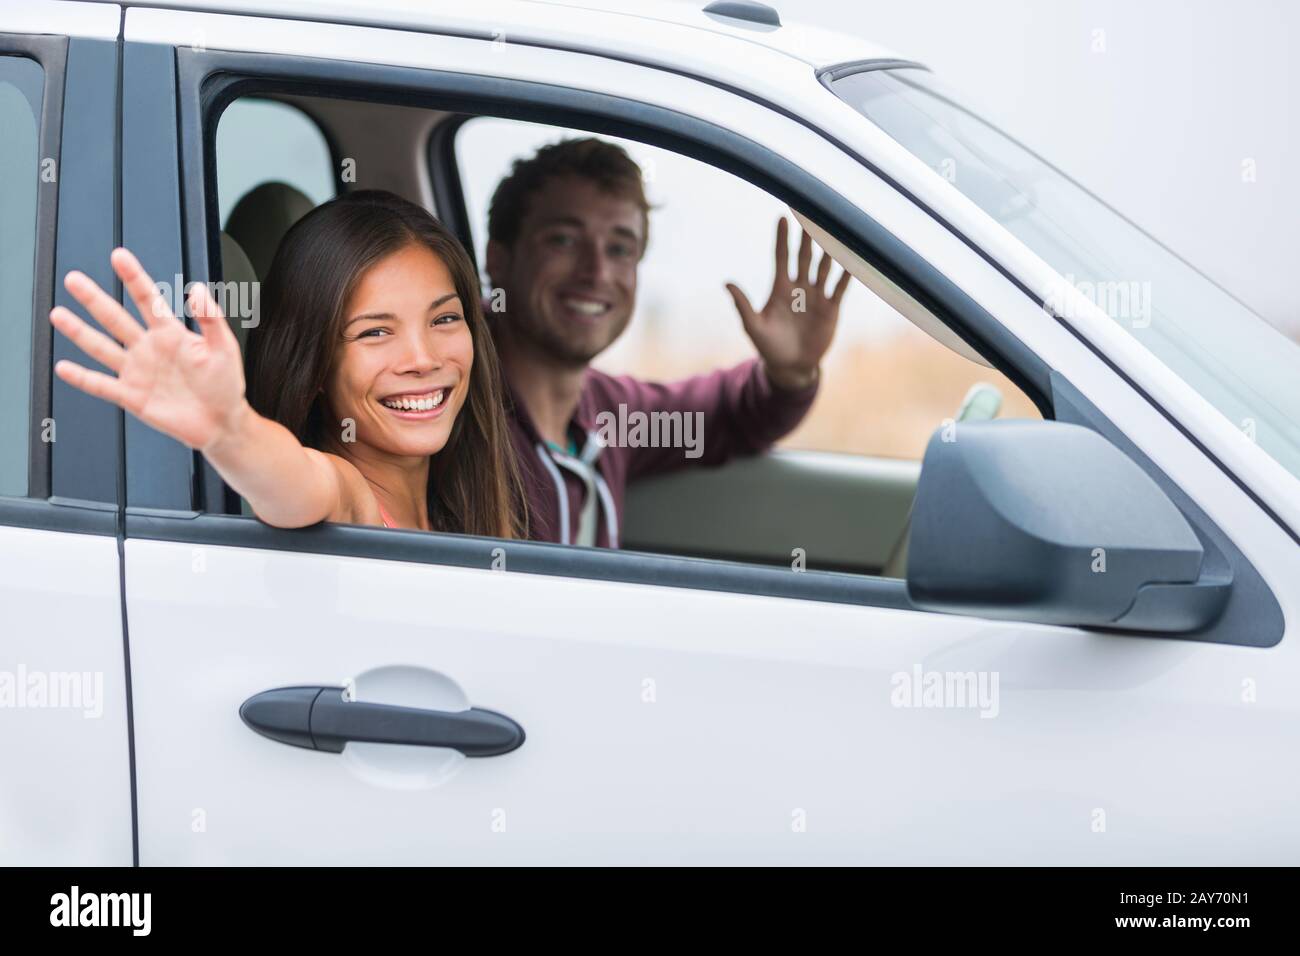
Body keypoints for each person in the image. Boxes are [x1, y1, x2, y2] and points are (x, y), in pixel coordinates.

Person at [50, 190, 523, 537]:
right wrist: (228, 429)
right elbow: (293, 483)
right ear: (314, 364)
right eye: (375, 332)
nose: (423, 359)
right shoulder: (348, 495)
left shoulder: (461, 508)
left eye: (444, 318)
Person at [484, 138, 850, 547]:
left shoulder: (612, 418)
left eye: (621, 248)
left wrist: (789, 372)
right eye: (563, 240)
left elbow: (730, 416)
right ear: (497, 259)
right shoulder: (449, 399)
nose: (597, 272)